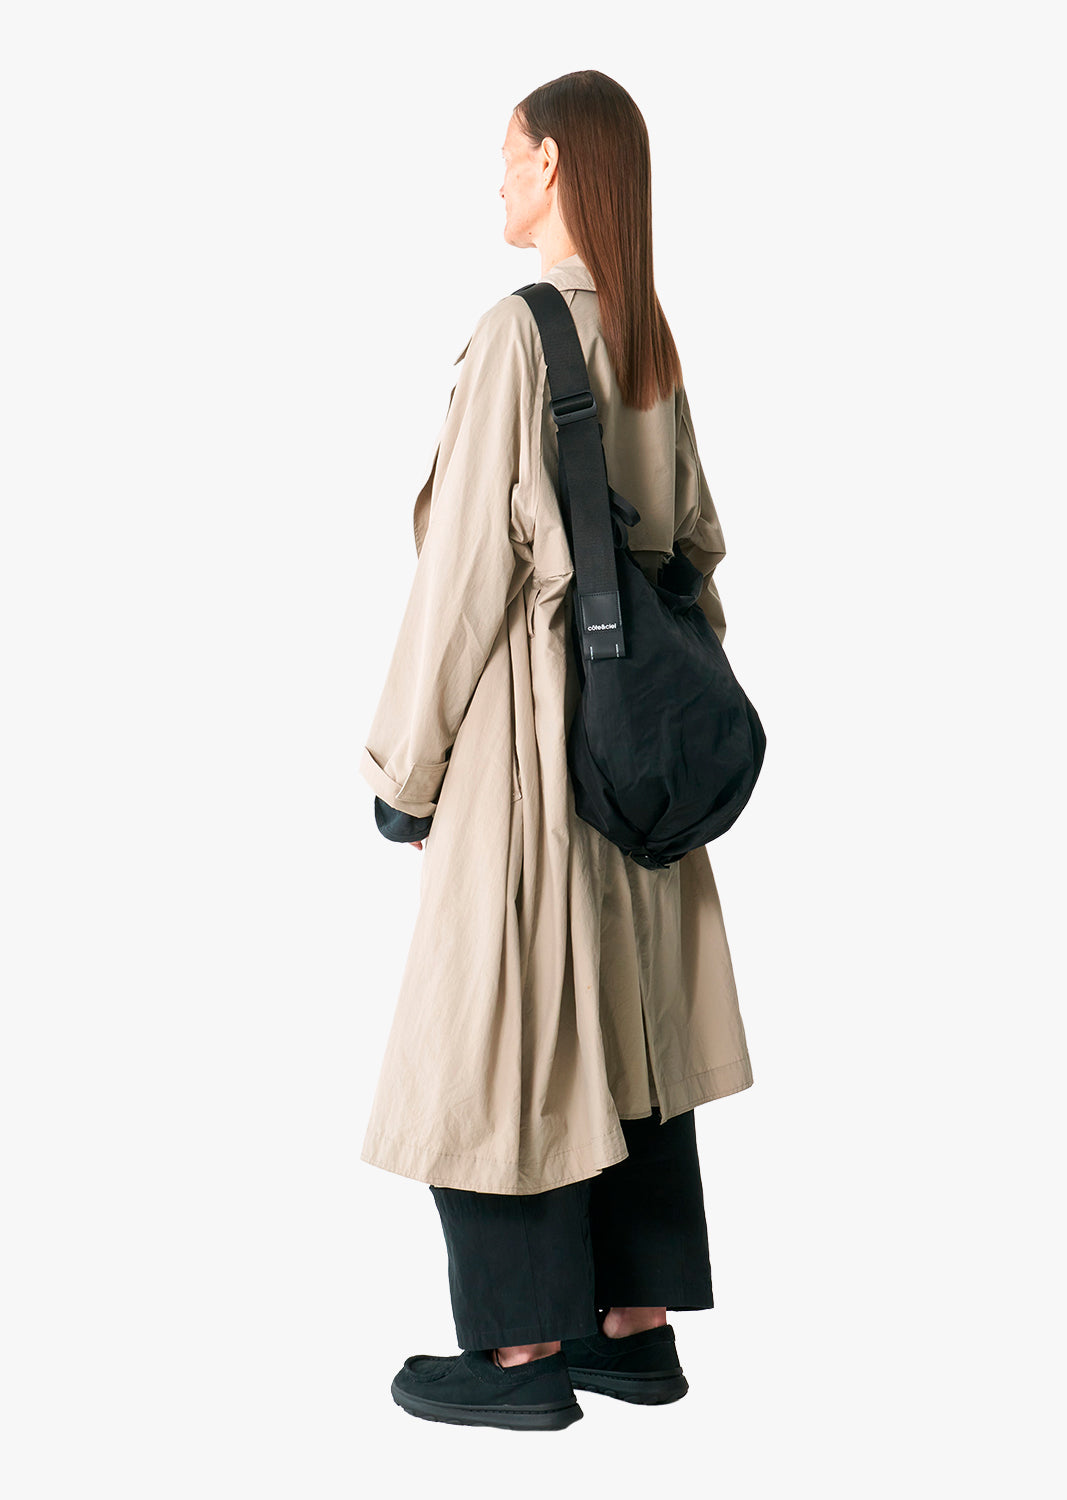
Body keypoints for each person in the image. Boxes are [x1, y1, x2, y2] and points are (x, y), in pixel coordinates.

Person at [356, 70, 754, 1431]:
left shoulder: (521, 333)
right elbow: (694, 549)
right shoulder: (647, 336)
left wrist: (404, 769)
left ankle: (521, 1355)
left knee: (495, 1034)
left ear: (554, 168)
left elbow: (465, 576)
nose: (499, 177)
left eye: (509, 154)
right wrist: (650, 717)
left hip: (527, 751)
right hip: (632, 763)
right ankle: (632, 1327)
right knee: (628, 1027)